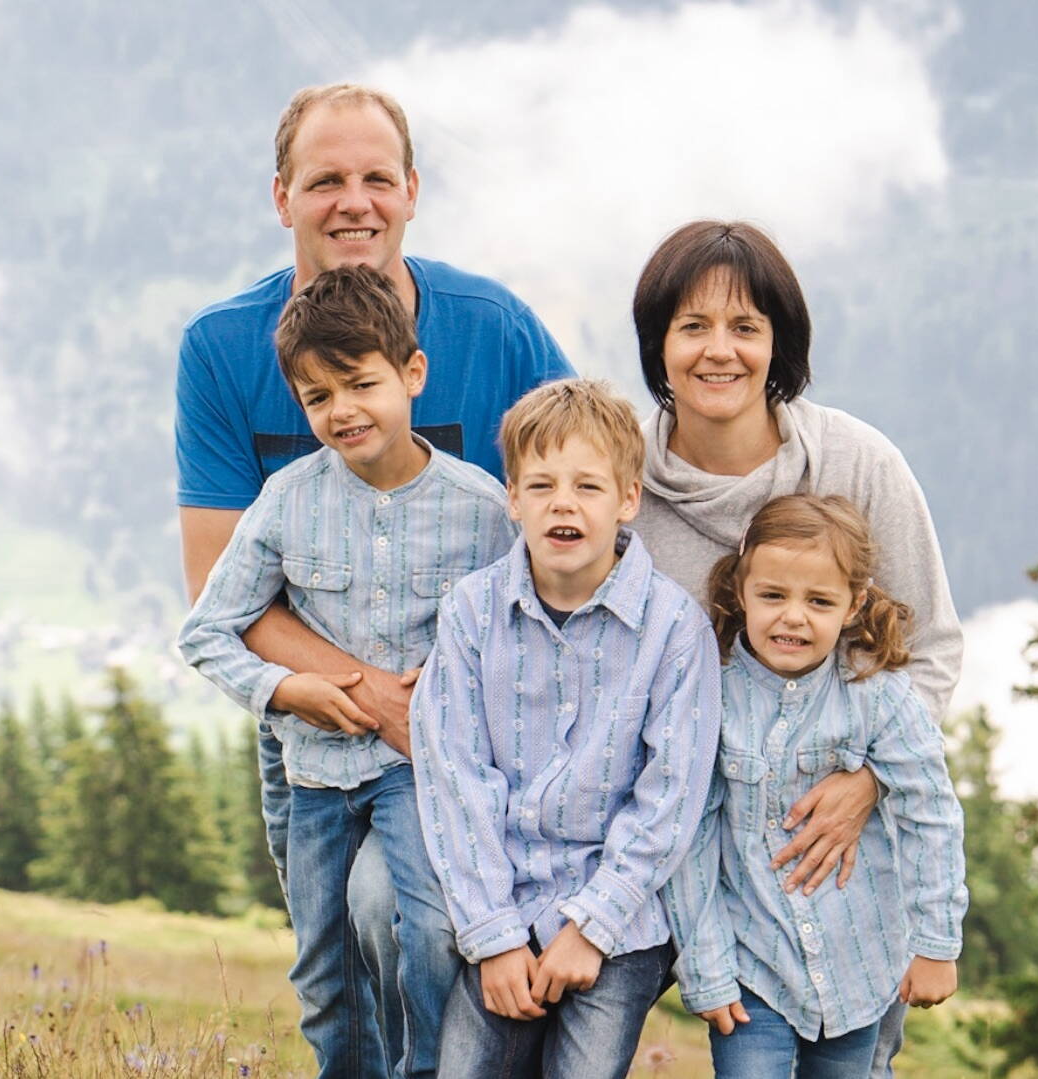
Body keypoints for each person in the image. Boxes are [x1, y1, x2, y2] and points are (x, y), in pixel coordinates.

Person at [174, 82, 574, 1075]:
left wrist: (454, 714)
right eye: (325, 182)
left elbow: (589, 493)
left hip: (480, 734)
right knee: (337, 966)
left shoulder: (496, 328)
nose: (353, 201)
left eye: (375, 180)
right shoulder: (223, 349)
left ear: (411, 193)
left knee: (434, 932)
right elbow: (218, 589)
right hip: (318, 738)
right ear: (282, 199)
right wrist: (375, 699)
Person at [626, 219, 964, 1074]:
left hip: (839, 885)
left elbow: (930, 647)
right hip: (676, 846)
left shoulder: (858, 463)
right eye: (692, 326)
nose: (719, 351)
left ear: (781, 344)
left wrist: (867, 779)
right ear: (657, 344)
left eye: (746, 326)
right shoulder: (621, 481)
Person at [177, 265, 516, 1079]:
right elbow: (207, 630)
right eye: (318, 397)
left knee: (424, 929)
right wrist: (287, 690)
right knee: (325, 975)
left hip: (418, 773)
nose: (343, 411)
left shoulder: (482, 510)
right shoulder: (289, 500)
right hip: (315, 776)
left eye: (362, 383)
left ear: (413, 374)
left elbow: (523, 637)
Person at [411, 379, 722, 1079]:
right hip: (504, 900)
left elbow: (671, 798)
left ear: (627, 500)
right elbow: (455, 777)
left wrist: (591, 927)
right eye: (543, 484)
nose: (564, 503)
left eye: (588, 486)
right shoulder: (471, 612)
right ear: (513, 498)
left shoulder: (674, 630)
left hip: (619, 919)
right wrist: (492, 936)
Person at [664, 494, 966, 1078]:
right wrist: (704, 966)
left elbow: (932, 815)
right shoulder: (711, 696)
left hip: (860, 967)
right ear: (740, 592)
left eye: (819, 601)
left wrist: (937, 944)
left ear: (853, 604)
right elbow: (690, 838)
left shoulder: (878, 695)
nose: (793, 617)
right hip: (753, 969)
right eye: (773, 595)